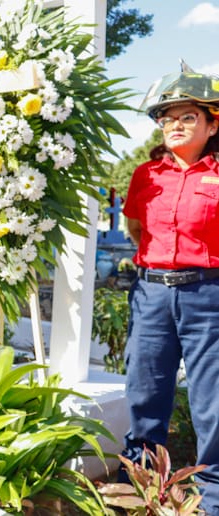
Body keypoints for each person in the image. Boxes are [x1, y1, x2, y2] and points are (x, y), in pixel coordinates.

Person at [120, 64, 219, 513]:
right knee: (145, 392)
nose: (175, 125)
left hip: (208, 297)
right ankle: (141, 485)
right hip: (152, 295)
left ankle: (212, 497)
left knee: (211, 403)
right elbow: (136, 228)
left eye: (187, 117)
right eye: (167, 118)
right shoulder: (145, 175)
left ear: (212, 123)